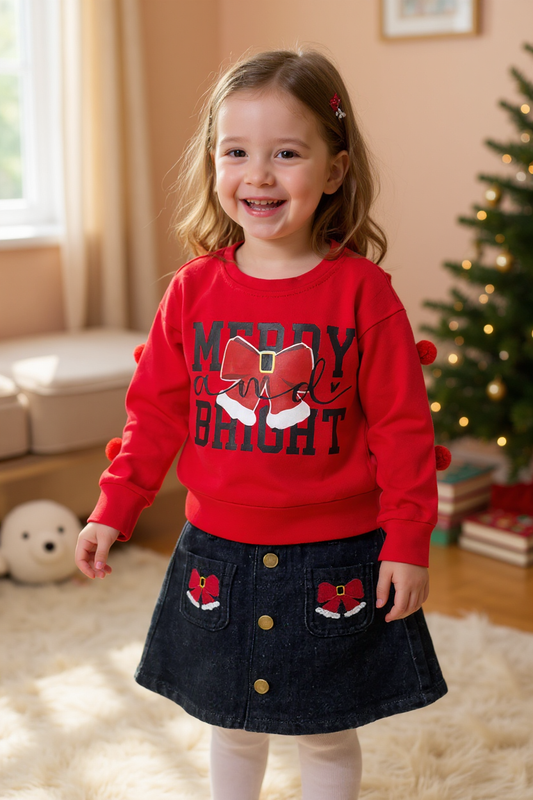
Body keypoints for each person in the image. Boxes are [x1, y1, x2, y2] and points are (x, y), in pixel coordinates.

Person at [75, 48, 448, 800]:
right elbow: (152, 415)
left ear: (335, 170)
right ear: (214, 163)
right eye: (236, 152)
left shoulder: (363, 295)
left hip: (336, 557)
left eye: (286, 153)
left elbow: (402, 431)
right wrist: (115, 508)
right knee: (231, 723)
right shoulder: (192, 292)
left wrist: (406, 541)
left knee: (325, 728)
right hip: (218, 551)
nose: (260, 175)